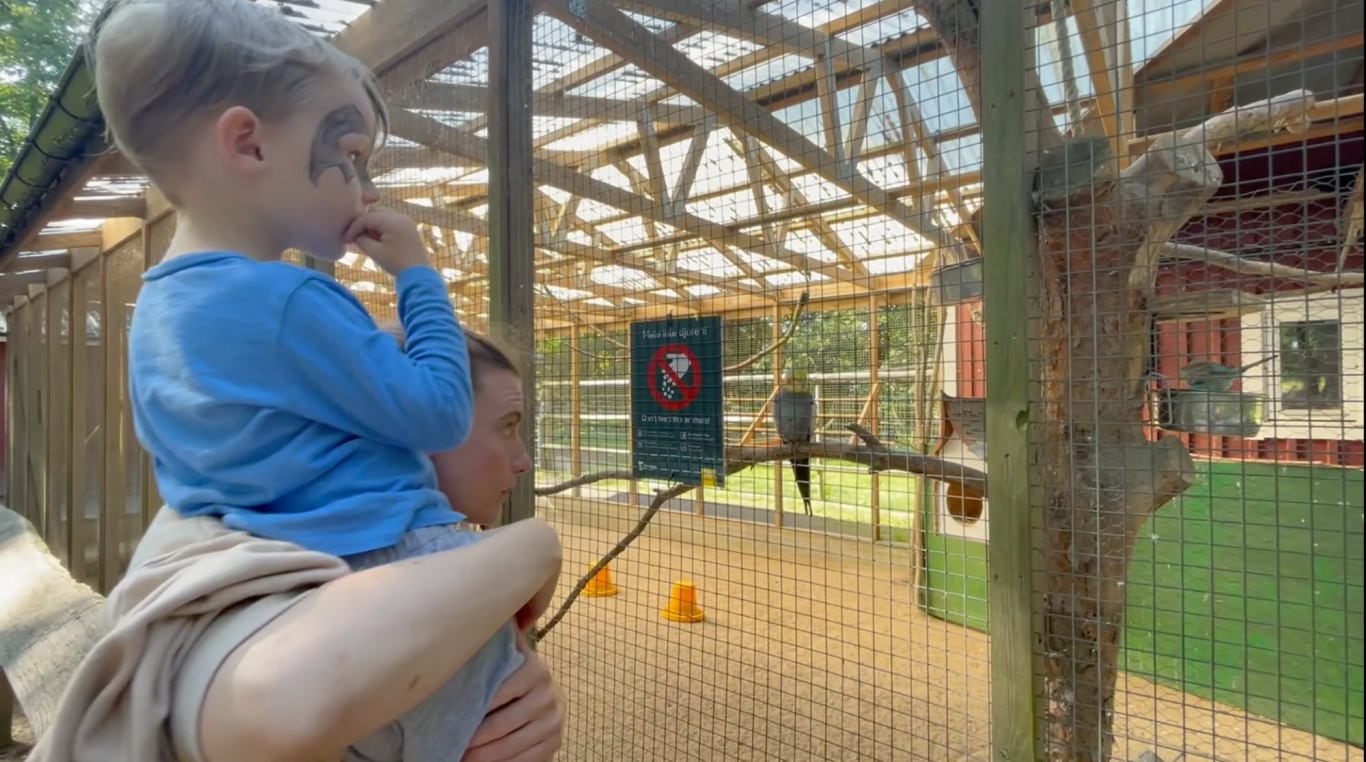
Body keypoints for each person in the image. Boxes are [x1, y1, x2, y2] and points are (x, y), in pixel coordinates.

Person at [83, 0, 552, 758]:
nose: (366, 188)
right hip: (391, 568)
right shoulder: (289, 298)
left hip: (281, 593)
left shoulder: (157, 315)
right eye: (354, 155)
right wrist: (417, 275)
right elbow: (437, 413)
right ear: (247, 143)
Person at [31, 330, 565, 762]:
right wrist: (535, 549)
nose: (522, 460)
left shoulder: (241, 523)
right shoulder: (443, 584)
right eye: (507, 427)